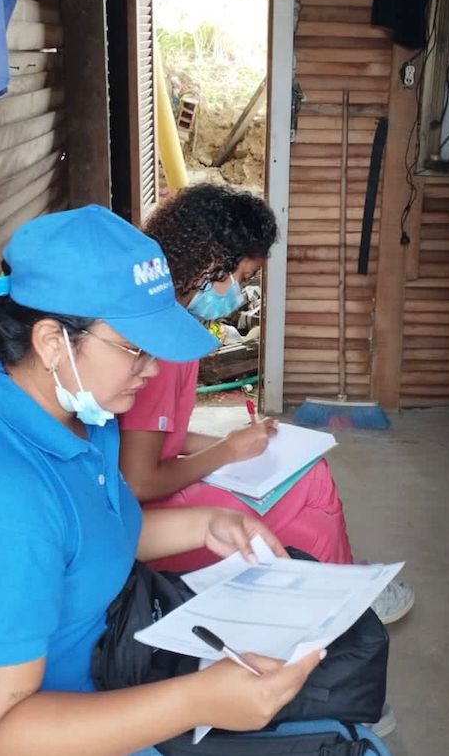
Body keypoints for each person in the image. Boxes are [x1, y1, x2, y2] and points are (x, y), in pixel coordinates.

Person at [0, 205, 325, 756]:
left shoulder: (79, 415)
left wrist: (208, 523)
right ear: (52, 343)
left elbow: (87, 537)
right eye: (135, 350)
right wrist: (197, 701)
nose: (150, 371)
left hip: (100, 681)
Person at [118, 185, 414, 628]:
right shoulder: (162, 347)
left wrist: (227, 442)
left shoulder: (175, 319)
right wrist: (225, 453)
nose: (241, 292)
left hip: (141, 500)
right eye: (244, 278)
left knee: (303, 476)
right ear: (208, 265)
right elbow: (138, 479)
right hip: (140, 523)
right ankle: (338, 591)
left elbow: (155, 439)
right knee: (306, 504)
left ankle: (335, 571)